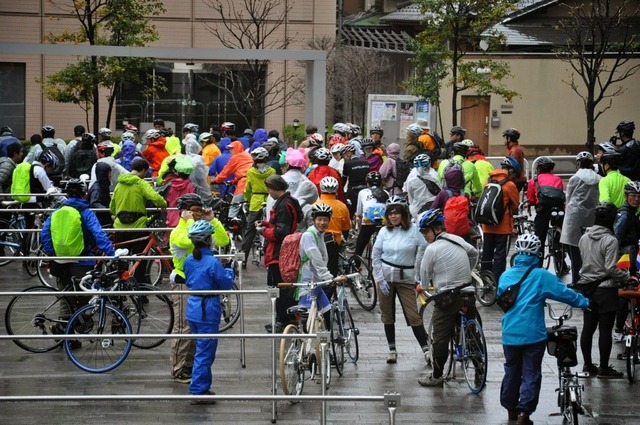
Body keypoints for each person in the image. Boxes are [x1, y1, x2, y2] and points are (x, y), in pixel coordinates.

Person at [498, 234, 589, 425]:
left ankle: (510, 409)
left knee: (511, 371)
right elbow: (565, 294)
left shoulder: (505, 276)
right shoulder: (540, 276)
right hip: (533, 334)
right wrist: (585, 302)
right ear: (538, 254)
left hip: (510, 334)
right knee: (531, 372)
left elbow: (502, 300)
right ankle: (525, 413)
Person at [41, 179, 115, 349]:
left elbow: (44, 234)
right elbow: (99, 234)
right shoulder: (85, 211)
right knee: (83, 298)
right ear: (84, 194)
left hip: (60, 261)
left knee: (65, 297)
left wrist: (53, 252)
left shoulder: (57, 211)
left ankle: (64, 331)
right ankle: (67, 330)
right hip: (82, 261)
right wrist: (111, 254)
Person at [169, 194, 229, 385]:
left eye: (198, 210)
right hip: (183, 283)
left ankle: (189, 367)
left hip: (201, 285)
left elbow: (222, 240)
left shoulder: (198, 228)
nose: (196, 214)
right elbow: (189, 241)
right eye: (192, 210)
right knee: (183, 329)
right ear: (183, 211)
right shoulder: (178, 231)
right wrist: (188, 221)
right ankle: (178, 369)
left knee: (196, 332)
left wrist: (212, 219)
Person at [416, 208, 479, 387]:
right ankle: (479, 366)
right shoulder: (458, 239)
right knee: (472, 331)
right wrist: (469, 270)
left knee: (440, 336)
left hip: (447, 297)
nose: (424, 236)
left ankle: (437, 375)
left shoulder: (432, 249)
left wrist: (422, 285)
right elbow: (473, 253)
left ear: (436, 229)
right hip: (467, 292)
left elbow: (424, 275)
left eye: (425, 232)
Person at [183, 219, 235, 404]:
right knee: (205, 351)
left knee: (201, 348)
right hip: (208, 309)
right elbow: (225, 284)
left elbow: (188, 281)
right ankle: (198, 390)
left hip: (193, 308)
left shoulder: (189, 260)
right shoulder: (212, 262)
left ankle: (202, 386)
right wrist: (230, 269)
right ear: (207, 240)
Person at [372, 196, 428, 365]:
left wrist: (419, 273)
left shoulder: (414, 230)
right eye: (390, 213)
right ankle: (392, 349)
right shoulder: (384, 231)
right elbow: (376, 255)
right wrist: (379, 277)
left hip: (406, 277)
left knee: (413, 315)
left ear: (404, 214)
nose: (393, 216)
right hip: (386, 277)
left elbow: (424, 248)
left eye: (397, 213)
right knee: (387, 315)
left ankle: (426, 349)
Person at [578, 202, 629, 379]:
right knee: (605, 330)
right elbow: (610, 268)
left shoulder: (584, 237)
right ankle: (604, 368)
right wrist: (625, 277)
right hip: (606, 290)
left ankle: (588, 364)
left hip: (587, 289)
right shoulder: (610, 240)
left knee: (588, 328)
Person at [110, 158, 167, 283]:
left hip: (120, 227)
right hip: (138, 227)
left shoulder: (119, 185)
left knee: (121, 261)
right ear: (143, 170)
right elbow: (155, 197)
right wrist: (163, 204)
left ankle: (119, 291)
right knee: (139, 261)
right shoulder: (141, 183)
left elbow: (112, 207)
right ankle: (139, 291)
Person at [258, 175, 303, 333]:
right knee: (284, 287)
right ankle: (286, 318)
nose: (269, 192)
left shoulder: (283, 205)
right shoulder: (290, 202)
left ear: (276, 189)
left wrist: (264, 231)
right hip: (286, 251)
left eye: (269, 189)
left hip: (279, 253)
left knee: (279, 288)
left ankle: (282, 320)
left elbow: (279, 232)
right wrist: (266, 224)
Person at [560, 152, 601, 284]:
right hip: (592, 216)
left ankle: (576, 279)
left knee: (574, 248)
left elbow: (569, 197)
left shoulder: (575, 178)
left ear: (578, 163)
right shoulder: (599, 178)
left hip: (575, 216)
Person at [480, 157, 520, 282]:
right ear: (511, 171)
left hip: (487, 225)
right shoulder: (510, 185)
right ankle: (497, 281)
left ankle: (485, 280)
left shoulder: (489, 180)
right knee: (500, 256)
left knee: (487, 254)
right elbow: (515, 204)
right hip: (502, 228)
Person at [297, 203, 335, 328]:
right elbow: (315, 257)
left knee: (328, 312)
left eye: (325, 220)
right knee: (306, 318)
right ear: (313, 220)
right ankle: (301, 343)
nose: (322, 222)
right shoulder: (309, 235)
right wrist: (327, 276)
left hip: (317, 282)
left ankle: (329, 343)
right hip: (307, 283)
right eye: (319, 219)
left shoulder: (319, 235)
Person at [612, 182, 640, 342]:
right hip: (625, 261)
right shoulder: (625, 215)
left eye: (638, 197)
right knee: (626, 294)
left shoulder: (632, 213)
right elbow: (617, 238)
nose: (636, 199)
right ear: (626, 197)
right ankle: (618, 330)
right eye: (633, 196)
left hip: (631, 258)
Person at [526, 157, 565, 268]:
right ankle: (561, 259)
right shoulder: (558, 179)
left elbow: (532, 199)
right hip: (558, 209)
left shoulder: (534, 181)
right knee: (559, 233)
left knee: (539, 237)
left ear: (538, 169)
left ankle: (538, 264)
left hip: (543, 210)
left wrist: (531, 204)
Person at [308, 176, 351, 277]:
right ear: (336, 191)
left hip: (316, 240)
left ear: (321, 189)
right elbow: (346, 227)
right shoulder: (342, 206)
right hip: (333, 242)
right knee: (332, 272)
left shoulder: (314, 206)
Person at [241, 147, 276, 267]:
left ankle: (243, 259)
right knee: (271, 227)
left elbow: (248, 188)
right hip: (269, 200)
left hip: (255, 201)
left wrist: (247, 199)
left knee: (250, 230)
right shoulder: (272, 171)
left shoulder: (251, 172)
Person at [211, 140, 254, 219]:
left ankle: (230, 223)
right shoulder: (247, 155)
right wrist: (234, 181)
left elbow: (225, 172)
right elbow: (244, 171)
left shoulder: (235, 158)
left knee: (235, 205)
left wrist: (215, 180)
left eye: (231, 149)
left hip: (244, 183)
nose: (230, 151)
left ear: (236, 149)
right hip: (253, 182)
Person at [354, 172, 388, 257]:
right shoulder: (386, 193)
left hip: (368, 221)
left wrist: (358, 216)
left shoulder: (362, 192)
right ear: (380, 183)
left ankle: (356, 263)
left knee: (360, 246)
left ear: (367, 183)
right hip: (383, 221)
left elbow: (359, 211)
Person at [405, 154, 440, 222]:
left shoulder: (411, 178)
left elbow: (410, 198)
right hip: (434, 207)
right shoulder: (434, 175)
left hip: (417, 211)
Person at [597, 142, 630, 208]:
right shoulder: (627, 180)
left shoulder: (604, 181)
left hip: (612, 216)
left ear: (607, 164)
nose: (597, 155)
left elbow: (604, 202)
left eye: (599, 152)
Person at [342, 143, 370, 216]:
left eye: (344, 156)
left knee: (351, 211)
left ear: (348, 154)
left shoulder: (347, 164)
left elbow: (343, 180)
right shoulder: (366, 162)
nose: (344, 159)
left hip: (353, 191)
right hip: (365, 189)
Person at [87, 162, 113, 227]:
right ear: (104, 174)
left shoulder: (103, 185)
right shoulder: (97, 188)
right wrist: (107, 210)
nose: (111, 175)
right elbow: (94, 202)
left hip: (103, 219)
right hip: (100, 220)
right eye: (109, 173)